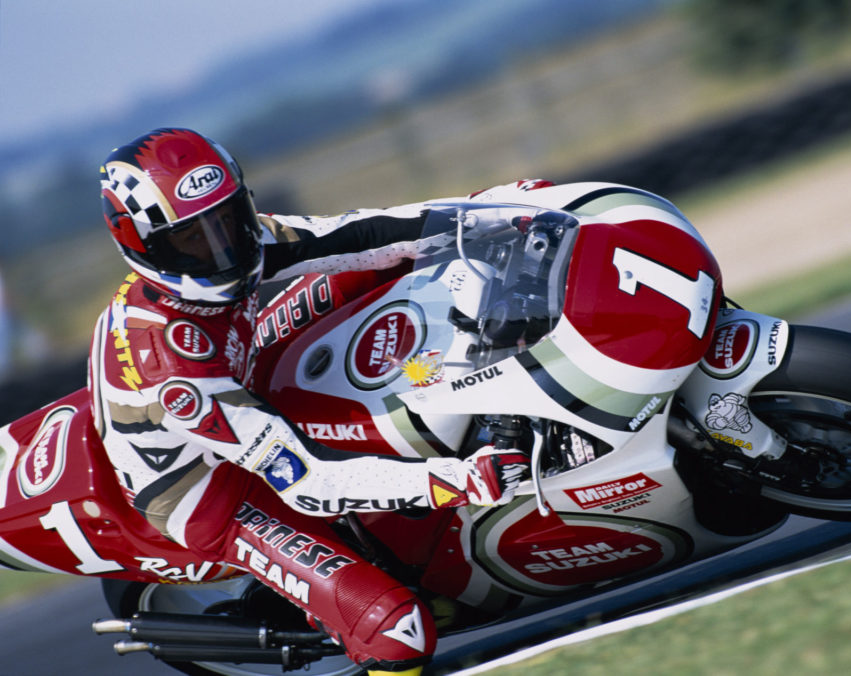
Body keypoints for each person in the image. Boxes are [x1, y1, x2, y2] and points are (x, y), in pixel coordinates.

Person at [89, 127, 529, 675]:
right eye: (193, 239)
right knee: (401, 633)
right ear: (144, 244)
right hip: (210, 488)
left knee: (373, 268)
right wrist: (457, 481)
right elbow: (309, 480)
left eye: (226, 220)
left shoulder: (248, 243)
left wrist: (494, 212)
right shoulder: (165, 365)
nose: (221, 246)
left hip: (239, 373)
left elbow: (365, 233)